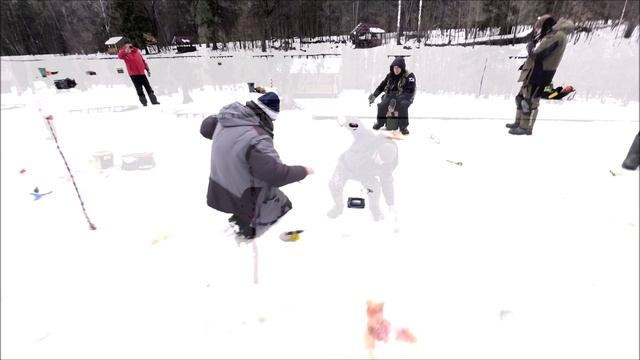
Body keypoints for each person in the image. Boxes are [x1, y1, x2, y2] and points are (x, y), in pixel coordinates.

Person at [200, 92, 313, 240]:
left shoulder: (228, 120)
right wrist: (302, 171)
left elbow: (205, 128)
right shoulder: (256, 136)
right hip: (242, 195)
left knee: (257, 182)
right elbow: (276, 175)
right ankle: (248, 235)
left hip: (218, 189)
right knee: (282, 204)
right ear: (266, 116)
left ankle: (240, 223)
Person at [507, 15, 575, 135]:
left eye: (540, 26)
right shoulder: (554, 35)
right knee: (521, 98)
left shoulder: (556, 36)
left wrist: (530, 46)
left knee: (529, 102)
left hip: (540, 74)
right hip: (534, 72)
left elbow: (537, 55)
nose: (538, 29)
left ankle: (525, 128)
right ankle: (519, 122)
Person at [327, 117, 398, 222]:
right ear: (377, 150)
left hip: (365, 175)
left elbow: (387, 183)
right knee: (334, 183)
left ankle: (375, 209)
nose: (380, 163)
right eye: (380, 159)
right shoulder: (368, 139)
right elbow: (358, 127)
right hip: (346, 166)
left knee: (375, 188)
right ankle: (338, 207)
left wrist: (390, 204)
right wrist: (346, 121)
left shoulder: (386, 166)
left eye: (384, 162)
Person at [368, 57, 416, 135]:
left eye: (398, 68)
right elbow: (382, 86)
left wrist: (396, 100)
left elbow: (410, 92)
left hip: (404, 97)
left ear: (402, 68)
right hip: (391, 96)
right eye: (395, 68)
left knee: (403, 105)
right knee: (381, 105)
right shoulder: (390, 75)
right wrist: (374, 95)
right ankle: (380, 122)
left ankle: (403, 127)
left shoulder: (409, 76)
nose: (396, 70)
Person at [118, 41, 159, 106]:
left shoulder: (137, 52)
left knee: (148, 87)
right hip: (133, 74)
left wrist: (147, 68)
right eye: (127, 46)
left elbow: (142, 60)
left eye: (130, 45)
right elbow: (120, 56)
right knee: (139, 89)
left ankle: (154, 101)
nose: (129, 47)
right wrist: (125, 50)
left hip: (142, 73)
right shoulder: (124, 54)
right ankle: (144, 103)